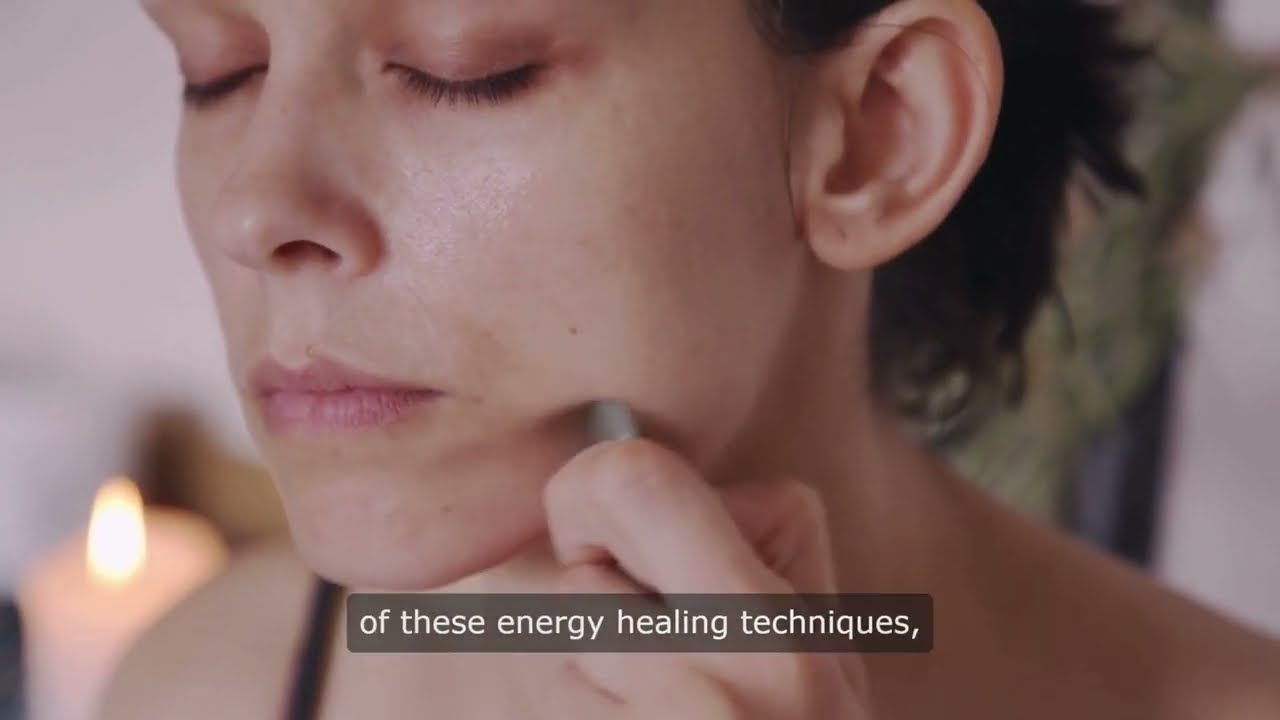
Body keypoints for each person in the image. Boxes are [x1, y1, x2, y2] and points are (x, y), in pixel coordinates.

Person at [106, 0, 1280, 718]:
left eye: (464, 69)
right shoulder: (202, 685)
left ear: (878, 137)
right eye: (218, 68)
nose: (254, 206)